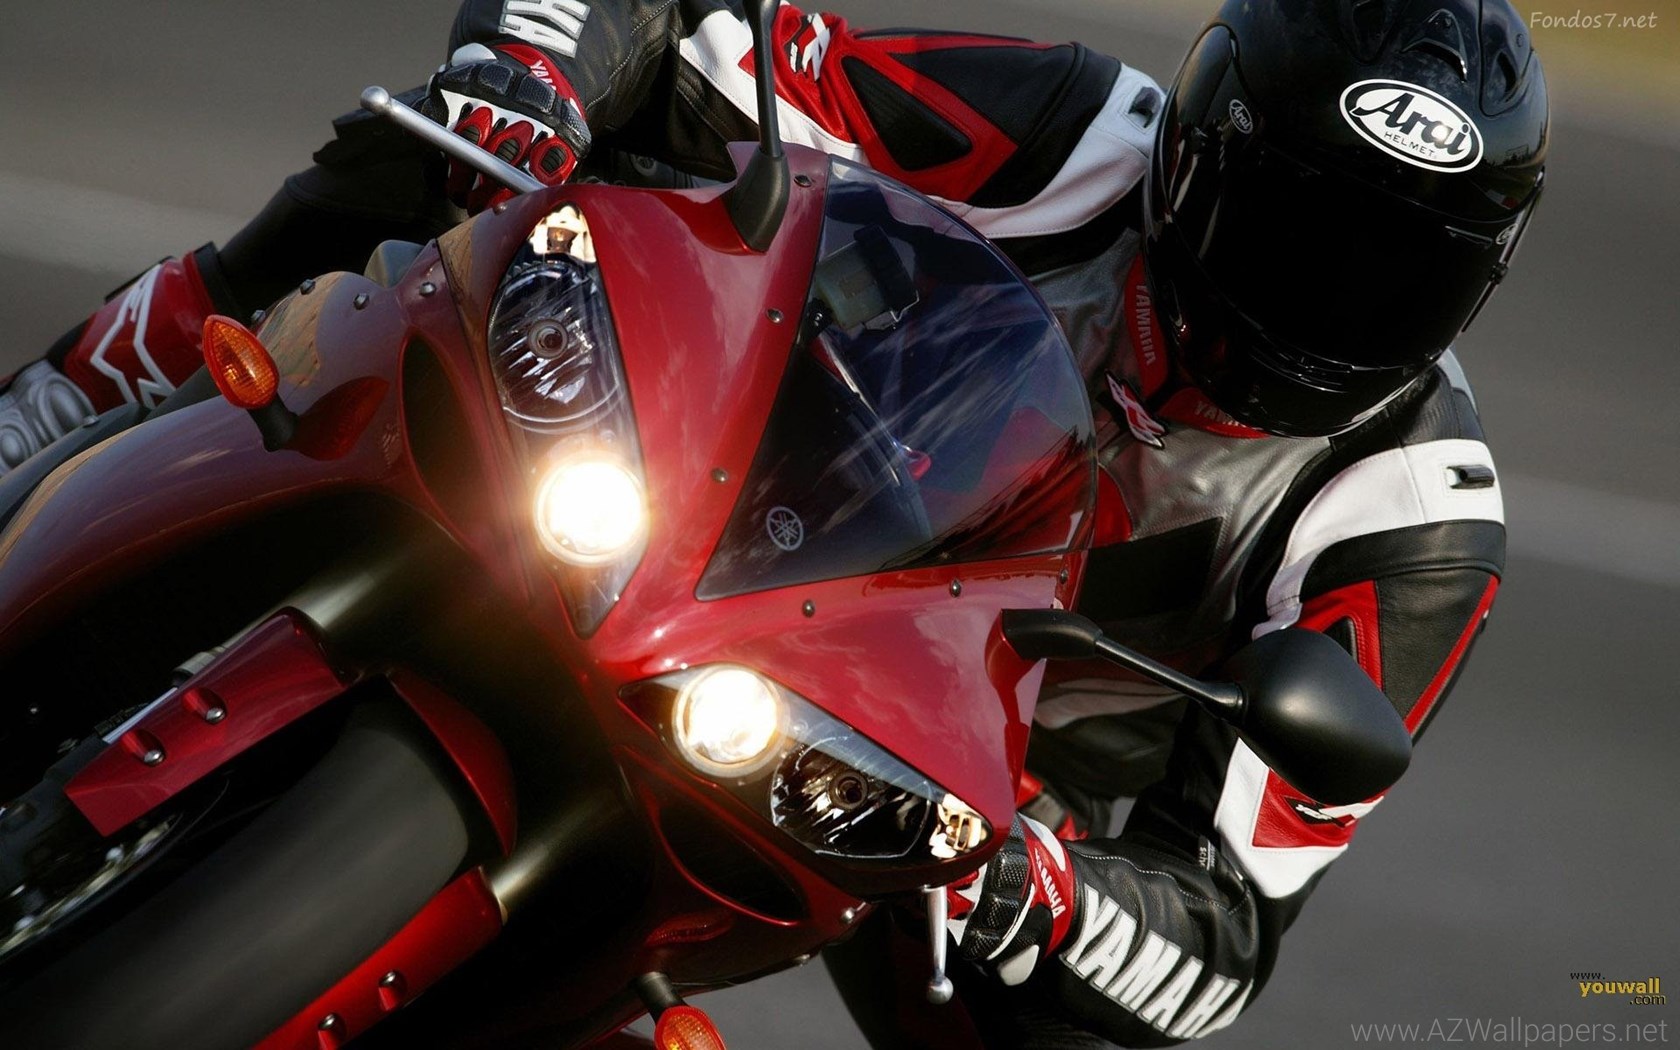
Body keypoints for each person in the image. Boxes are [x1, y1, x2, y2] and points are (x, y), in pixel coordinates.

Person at [4, 1, 1545, 1045]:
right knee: (444, 158)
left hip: (953, 794)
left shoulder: (1411, 511)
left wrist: (1044, 890)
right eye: (1291, 230)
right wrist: (537, 78)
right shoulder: (1072, 136)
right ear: (1197, 154)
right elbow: (713, 38)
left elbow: (1222, 932)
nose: (1318, 304)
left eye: (1393, 276)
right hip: (745, 506)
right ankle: (75, 402)